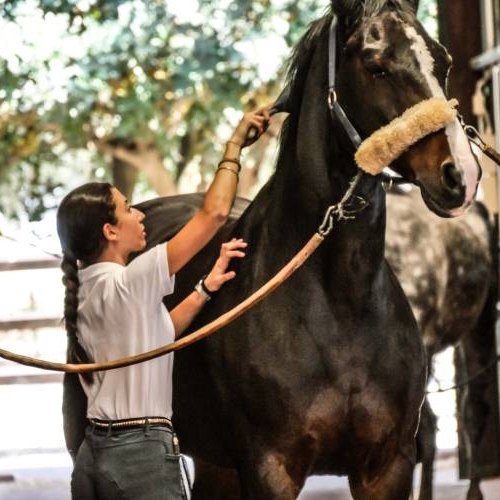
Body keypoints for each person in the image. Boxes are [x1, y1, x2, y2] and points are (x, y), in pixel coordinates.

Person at [56, 107, 270, 500]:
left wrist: (205, 288)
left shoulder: (87, 289)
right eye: (127, 208)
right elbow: (214, 213)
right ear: (110, 231)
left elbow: (159, 335)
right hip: (140, 459)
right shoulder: (130, 282)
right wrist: (234, 145)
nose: (140, 215)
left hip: (95, 455)